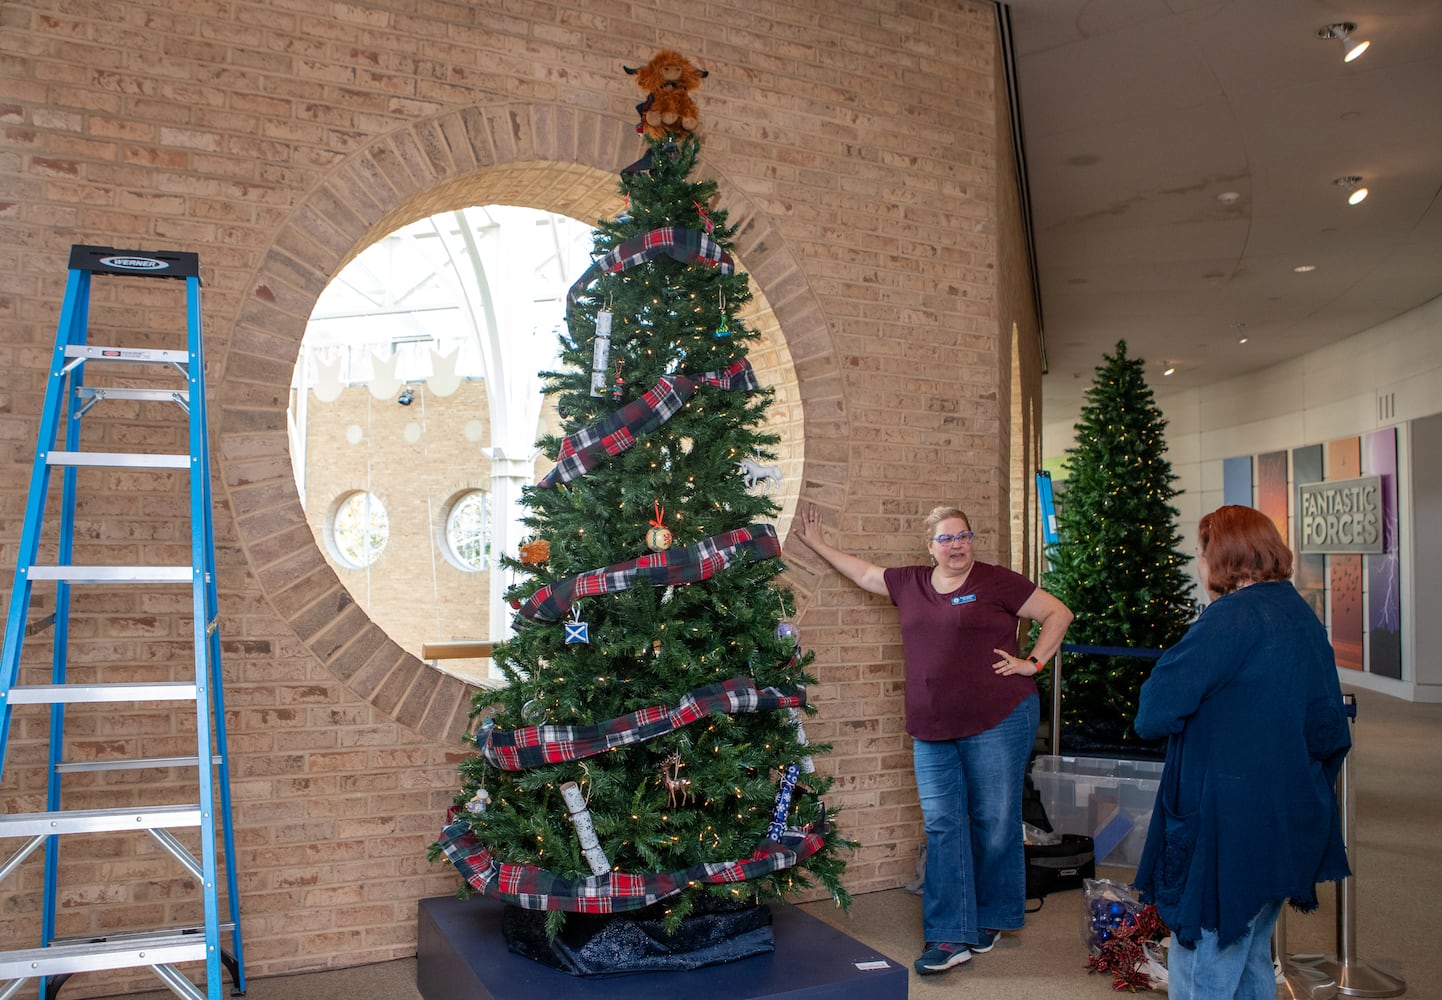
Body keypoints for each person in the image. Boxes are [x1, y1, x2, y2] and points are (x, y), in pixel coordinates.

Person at [793, 503, 1073, 975]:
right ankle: (948, 936)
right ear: (930, 547)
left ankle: (993, 916)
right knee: (943, 824)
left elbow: (1057, 613)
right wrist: (819, 545)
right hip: (931, 727)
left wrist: (1034, 663)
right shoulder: (911, 583)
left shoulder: (995, 580)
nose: (957, 545)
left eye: (963, 536)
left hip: (1000, 716)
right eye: (946, 538)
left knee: (995, 821)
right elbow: (865, 575)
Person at [1132, 505, 1351, 1000]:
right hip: (1287, 815)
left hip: (1226, 825)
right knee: (1251, 950)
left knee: (1207, 954)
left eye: (1201, 551)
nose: (1198, 562)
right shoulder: (1300, 613)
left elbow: (1153, 712)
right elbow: (1329, 731)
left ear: (1222, 555)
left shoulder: (1227, 621)